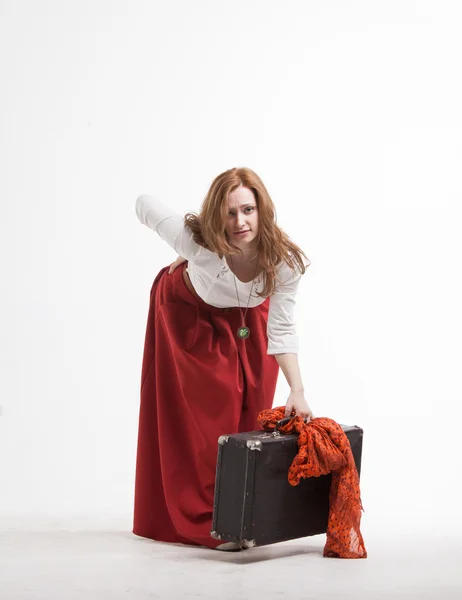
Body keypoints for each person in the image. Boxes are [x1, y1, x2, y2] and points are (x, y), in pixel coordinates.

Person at [133, 167, 314, 551]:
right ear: (217, 215)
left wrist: (297, 389)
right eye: (230, 213)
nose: (240, 222)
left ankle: (241, 515)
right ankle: (208, 524)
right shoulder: (195, 242)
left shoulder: (284, 262)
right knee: (209, 419)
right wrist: (184, 250)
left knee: (250, 421)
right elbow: (143, 203)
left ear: (262, 210)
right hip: (189, 314)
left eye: (248, 210)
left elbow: (281, 330)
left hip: (248, 323)